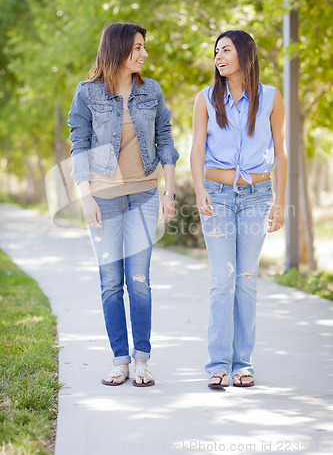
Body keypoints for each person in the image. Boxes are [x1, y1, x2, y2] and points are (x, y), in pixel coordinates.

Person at [68, 22, 179, 387]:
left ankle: (142, 360)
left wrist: (169, 192)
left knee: (139, 280)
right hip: (103, 198)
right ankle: (120, 360)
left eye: (144, 47)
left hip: (145, 196)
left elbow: (165, 139)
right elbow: (79, 145)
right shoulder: (87, 94)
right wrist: (85, 199)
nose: (144, 54)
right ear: (117, 50)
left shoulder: (152, 91)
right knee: (111, 283)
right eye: (137, 48)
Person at [190, 30, 287, 389]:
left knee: (246, 280)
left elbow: (281, 151)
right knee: (222, 280)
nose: (218, 56)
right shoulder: (204, 99)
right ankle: (217, 364)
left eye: (226, 50)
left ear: (245, 54)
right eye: (216, 51)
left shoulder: (272, 98)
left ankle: (242, 364)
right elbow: (197, 148)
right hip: (216, 195)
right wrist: (199, 190)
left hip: (257, 196)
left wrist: (279, 201)